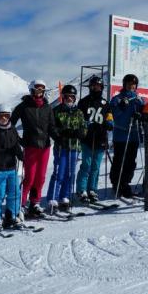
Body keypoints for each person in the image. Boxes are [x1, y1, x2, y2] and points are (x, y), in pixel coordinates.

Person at [11, 79, 57, 219]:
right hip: (30, 146)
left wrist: (58, 137)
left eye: (42, 90)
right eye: (37, 90)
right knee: (29, 177)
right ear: (31, 90)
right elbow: (10, 124)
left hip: (45, 146)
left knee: (41, 177)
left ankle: (35, 203)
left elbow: (51, 126)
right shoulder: (23, 106)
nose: (39, 93)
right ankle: (21, 204)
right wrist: (19, 140)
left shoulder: (47, 107)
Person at [46, 84, 86, 213]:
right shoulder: (57, 110)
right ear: (63, 97)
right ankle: (53, 199)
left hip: (74, 146)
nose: (70, 99)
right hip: (61, 147)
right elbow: (52, 127)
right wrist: (61, 135)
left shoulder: (78, 112)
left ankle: (65, 197)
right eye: (67, 96)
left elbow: (84, 127)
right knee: (59, 172)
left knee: (70, 173)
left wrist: (80, 133)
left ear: (75, 98)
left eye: (72, 97)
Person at [76, 75, 112, 203]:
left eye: (98, 86)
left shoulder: (105, 103)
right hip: (87, 138)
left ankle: (92, 189)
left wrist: (109, 123)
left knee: (96, 167)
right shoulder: (83, 102)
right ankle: (81, 190)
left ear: (102, 88)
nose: (95, 88)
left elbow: (109, 118)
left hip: (101, 139)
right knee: (86, 165)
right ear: (90, 87)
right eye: (93, 86)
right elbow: (78, 118)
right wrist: (83, 125)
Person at [0, 104, 24, 231]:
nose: (3, 119)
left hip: (11, 167)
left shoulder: (12, 129)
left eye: (6, 116)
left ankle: (11, 215)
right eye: (0, 116)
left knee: (14, 192)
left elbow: (15, 145)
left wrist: (20, 154)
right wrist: (10, 151)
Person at [109, 74, 145, 198]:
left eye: (133, 84)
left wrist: (140, 114)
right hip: (120, 135)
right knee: (119, 160)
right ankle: (116, 183)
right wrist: (121, 107)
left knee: (130, 162)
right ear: (124, 84)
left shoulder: (138, 99)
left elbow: (143, 113)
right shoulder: (117, 98)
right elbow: (113, 113)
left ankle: (125, 183)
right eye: (129, 84)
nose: (131, 86)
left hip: (133, 135)